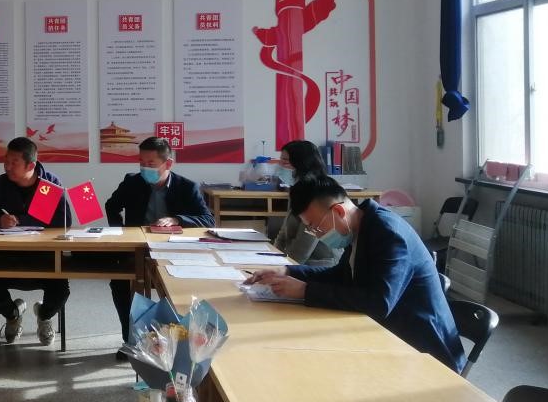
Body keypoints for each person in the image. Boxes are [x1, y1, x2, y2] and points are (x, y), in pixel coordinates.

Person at [248, 174, 466, 373]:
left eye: (315, 226)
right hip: (387, 337)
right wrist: (287, 270)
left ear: (338, 212)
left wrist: (305, 290)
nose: (316, 234)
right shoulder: (360, 227)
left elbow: (379, 303)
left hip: (423, 352)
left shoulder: (387, 232)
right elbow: (342, 275)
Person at [104, 137, 214, 353]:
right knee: (119, 282)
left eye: (151, 163)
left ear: (168, 163)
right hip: (137, 249)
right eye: (141, 162)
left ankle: (174, 342)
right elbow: (111, 206)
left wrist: (177, 219)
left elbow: (208, 220)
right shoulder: (132, 182)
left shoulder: (186, 187)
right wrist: (121, 232)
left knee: (176, 288)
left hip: (173, 252)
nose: (145, 168)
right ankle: (132, 340)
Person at [0, 137, 71, 345]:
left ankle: (44, 315)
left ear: (30, 165)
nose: (7, 167)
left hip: (45, 258)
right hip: (8, 257)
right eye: (6, 161)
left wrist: (21, 220)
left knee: (61, 290)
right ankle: (13, 314)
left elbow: (64, 221)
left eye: (14, 162)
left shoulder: (49, 184)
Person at [272, 140, 341, 266]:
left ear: (302, 163)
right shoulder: (298, 188)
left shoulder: (319, 193)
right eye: (281, 160)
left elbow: (305, 245)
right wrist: (272, 256)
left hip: (320, 265)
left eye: (285, 161)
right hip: (299, 262)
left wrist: (282, 268)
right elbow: (284, 231)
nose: (280, 165)